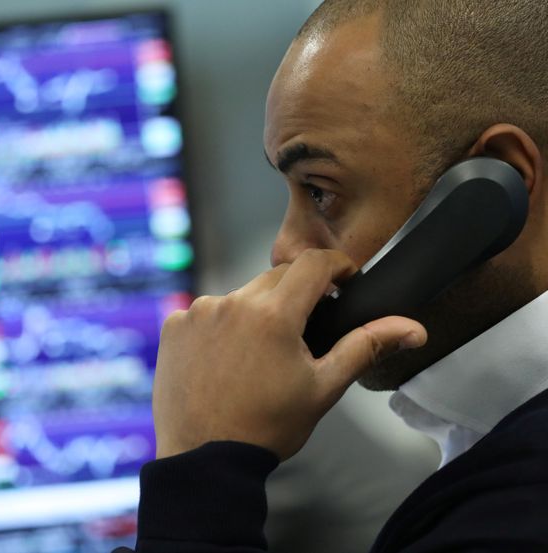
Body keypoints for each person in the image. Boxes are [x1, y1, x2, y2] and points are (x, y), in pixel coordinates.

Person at [114, 1, 548, 551]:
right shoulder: (499, 459)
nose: (283, 250)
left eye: (320, 191)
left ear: (492, 189)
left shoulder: (517, 508)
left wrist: (202, 469)